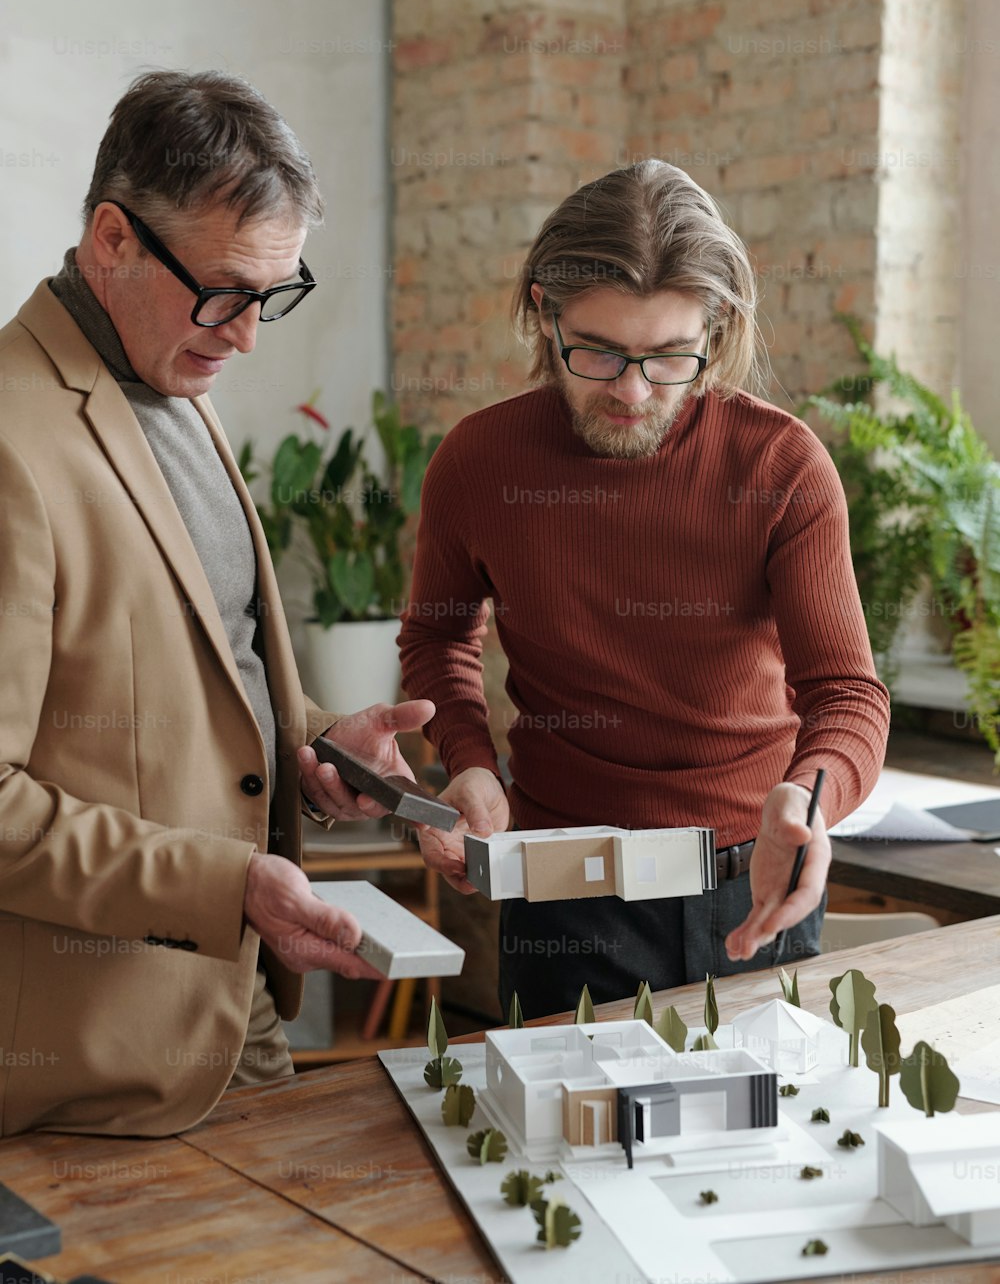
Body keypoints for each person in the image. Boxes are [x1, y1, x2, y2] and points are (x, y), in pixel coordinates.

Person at [0, 69, 428, 1138]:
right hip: (90, 1070)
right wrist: (225, 886)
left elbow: (211, 687)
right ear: (113, 239)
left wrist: (323, 749)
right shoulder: (10, 439)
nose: (246, 336)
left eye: (274, 296)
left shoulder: (178, 388)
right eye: (228, 291)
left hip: (239, 1018)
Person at [399, 159, 890, 1019]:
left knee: (769, 1150)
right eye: (597, 351)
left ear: (717, 332)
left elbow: (847, 694)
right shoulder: (478, 463)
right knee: (552, 1149)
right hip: (562, 890)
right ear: (544, 317)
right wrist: (471, 764)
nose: (631, 391)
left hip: (752, 874)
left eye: (669, 357)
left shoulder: (781, 466)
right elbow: (438, 639)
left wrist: (808, 798)